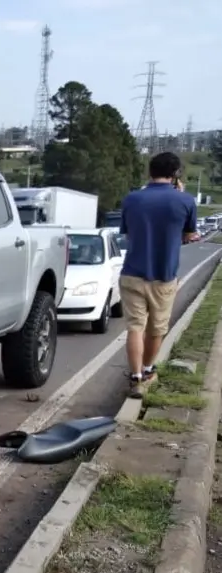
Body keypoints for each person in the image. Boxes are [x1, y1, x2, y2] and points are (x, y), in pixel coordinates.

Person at [119, 152, 198, 398]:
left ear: (149, 172)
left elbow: (128, 234)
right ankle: (148, 370)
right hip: (164, 276)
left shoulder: (131, 199)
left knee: (135, 327)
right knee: (156, 329)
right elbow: (188, 235)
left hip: (132, 273)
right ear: (175, 175)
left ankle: (135, 378)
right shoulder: (185, 201)